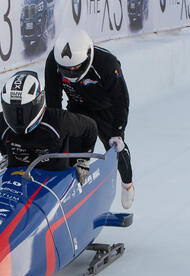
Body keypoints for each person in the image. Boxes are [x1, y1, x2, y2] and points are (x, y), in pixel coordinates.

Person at [44, 28, 135, 209]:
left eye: (75, 68)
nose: (70, 73)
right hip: (78, 107)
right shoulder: (53, 62)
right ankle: (68, 196)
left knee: (117, 149)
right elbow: (54, 100)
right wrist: (58, 129)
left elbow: (121, 100)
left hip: (105, 110)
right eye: (66, 70)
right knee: (69, 150)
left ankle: (127, 183)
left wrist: (118, 131)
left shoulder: (107, 64)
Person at [0, 70, 97, 181]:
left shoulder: (59, 121)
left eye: (24, 110)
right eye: (12, 111)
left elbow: (90, 127)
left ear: (38, 102)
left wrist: (84, 160)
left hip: (55, 178)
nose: (18, 118)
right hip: (18, 176)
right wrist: (5, 154)